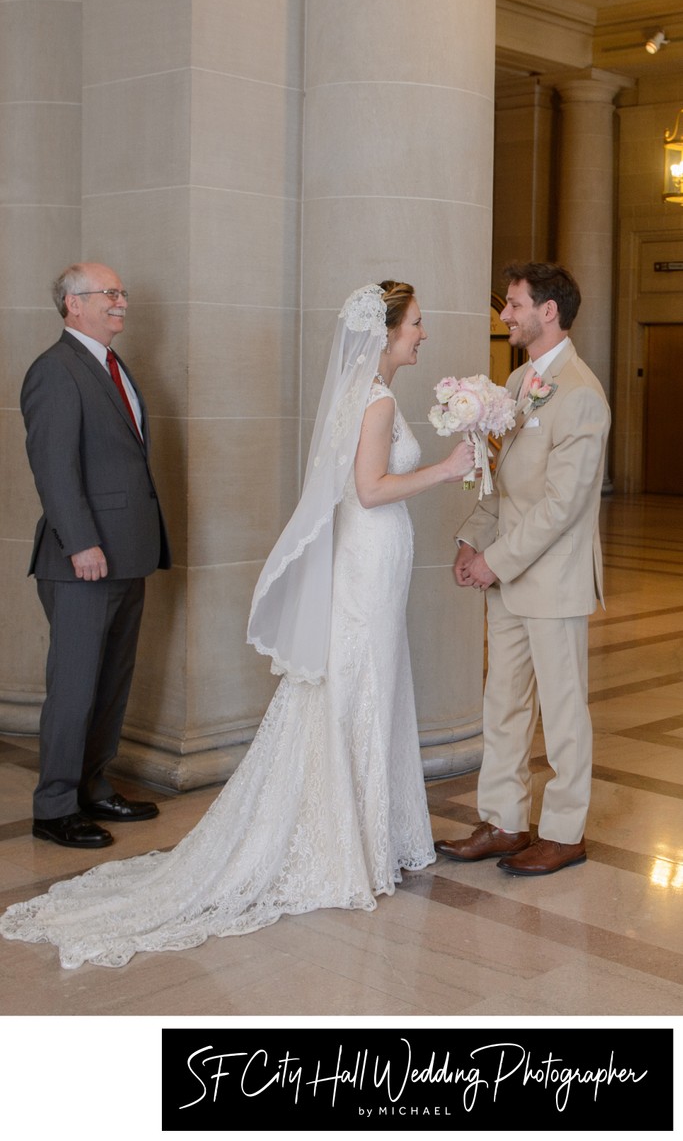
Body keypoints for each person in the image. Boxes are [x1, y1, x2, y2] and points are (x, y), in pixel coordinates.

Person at [0, 281, 474, 968]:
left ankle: (365, 830)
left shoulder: (366, 394)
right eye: (418, 325)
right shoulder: (372, 399)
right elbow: (368, 491)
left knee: (362, 683)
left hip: (365, 564)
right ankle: (343, 839)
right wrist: (446, 468)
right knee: (354, 684)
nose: (423, 335)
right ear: (387, 332)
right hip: (360, 562)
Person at [435, 262, 610, 876]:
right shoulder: (514, 386)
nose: (504, 315)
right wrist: (470, 540)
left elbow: (564, 506)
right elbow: (502, 483)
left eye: (513, 305)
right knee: (502, 703)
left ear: (548, 312)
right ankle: (505, 821)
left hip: (553, 578)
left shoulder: (582, 395)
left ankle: (564, 833)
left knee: (562, 712)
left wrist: (495, 561)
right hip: (505, 574)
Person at [19, 262, 171, 850]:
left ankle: (92, 784)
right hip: (83, 558)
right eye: (110, 294)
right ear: (72, 304)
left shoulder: (112, 365)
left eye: (123, 293)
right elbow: (54, 467)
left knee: (110, 682)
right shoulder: (55, 370)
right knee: (76, 685)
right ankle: (54, 806)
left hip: (128, 552)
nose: (122, 303)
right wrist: (81, 541)